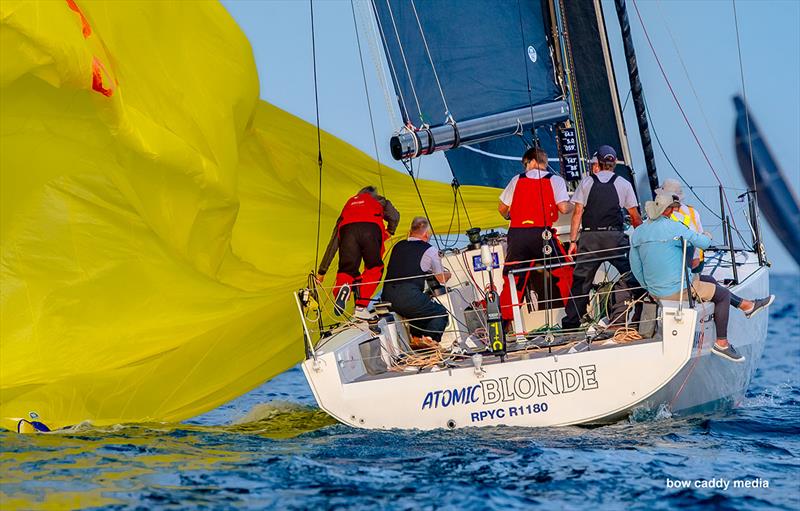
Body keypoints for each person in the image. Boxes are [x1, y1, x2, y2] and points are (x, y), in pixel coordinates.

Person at [629, 192, 774, 362]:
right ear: (667, 211)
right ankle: (722, 343)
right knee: (723, 295)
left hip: (655, 291)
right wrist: (707, 236)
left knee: (709, 281)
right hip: (678, 290)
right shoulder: (674, 227)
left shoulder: (638, 233)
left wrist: (650, 289)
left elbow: (636, 268)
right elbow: (704, 244)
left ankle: (747, 306)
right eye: (673, 209)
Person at [562, 145, 643, 333]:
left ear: (598, 162)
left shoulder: (587, 182)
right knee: (633, 274)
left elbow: (577, 214)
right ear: (614, 163)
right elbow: (635, 217)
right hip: (615, 238)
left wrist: (573, 241)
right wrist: (642, 239)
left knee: (581, 280)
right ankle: (642, 310)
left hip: (590, 238)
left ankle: (571, 323)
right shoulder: (623, 184)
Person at [498, 147, 573, 322]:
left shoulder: (517, 179)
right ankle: (573, 316)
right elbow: (563, 207)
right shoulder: (555, 180)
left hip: (516, 235)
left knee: (513, 278)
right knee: (564, 271)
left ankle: (505, 322)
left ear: (531, 162)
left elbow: (502, 208)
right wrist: (573, 205)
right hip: (542, 233)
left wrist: (510, 216)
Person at [317, 186, 399, 319]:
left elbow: (334, 241)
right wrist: (390, 230)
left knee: (347, 269)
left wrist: (322, 271)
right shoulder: (378, 200)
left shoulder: (348, 205)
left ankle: (343, 288)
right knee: (374, 268)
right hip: (370, 230)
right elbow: (394, 216)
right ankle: (361, 307)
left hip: (347, 231)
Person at [382, 217, 451, 349]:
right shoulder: (430, 250)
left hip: (388, 295)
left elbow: (406, 265)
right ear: (426, 234)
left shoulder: (398, 246)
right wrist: (448, 274)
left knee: (419, 313)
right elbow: (441, 278)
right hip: (408, 295)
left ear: (410, 231)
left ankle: (416, 340)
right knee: (440, 312)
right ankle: (429, 339)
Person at [657, 178, 705, 272]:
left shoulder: (661, 214)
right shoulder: (692, 212)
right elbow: (700, 236)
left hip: (685, 264)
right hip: (696, 262)